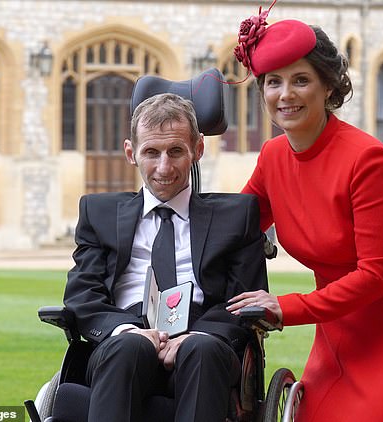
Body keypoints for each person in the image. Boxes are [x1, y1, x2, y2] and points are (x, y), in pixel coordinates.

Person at [226, 5, 383, 421]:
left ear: (329, 87)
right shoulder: (273, 156)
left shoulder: (369, 160)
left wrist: (285, 307)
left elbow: (376, 277)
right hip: (339, 338)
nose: (285, 94)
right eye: (273, 82)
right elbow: (233, 227)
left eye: (301, 80)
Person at [63, 93, 268, 422]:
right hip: (125, 335)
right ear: (131, 153)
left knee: (202, 350)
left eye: (176, 151)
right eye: (151, 152)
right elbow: (82, 295)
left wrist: (199, 334)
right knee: (127, 349)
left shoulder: (238, 216)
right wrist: (125, 330)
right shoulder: (97, 212)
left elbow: (245, 298)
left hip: (204, 338)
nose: (164, 167)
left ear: (197, 150)